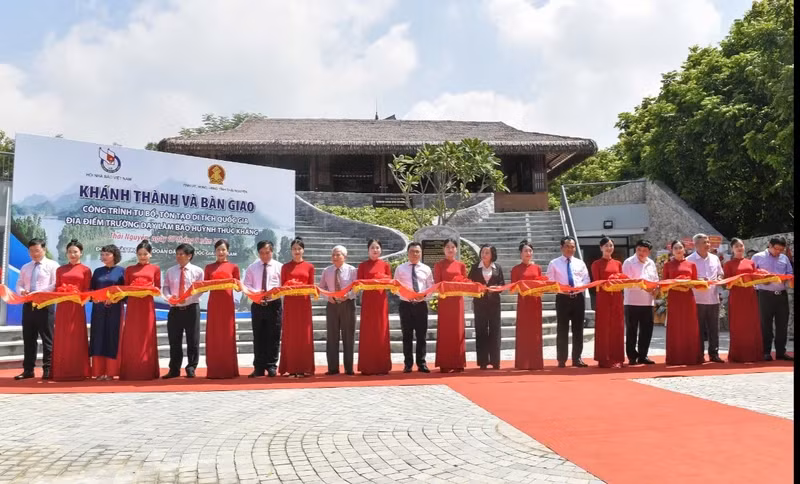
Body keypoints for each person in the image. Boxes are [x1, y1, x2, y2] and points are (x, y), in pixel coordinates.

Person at [14, 238, 59, 380]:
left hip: (45, 305)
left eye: (37, 250)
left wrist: (40, 293)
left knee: (47, 339)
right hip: (28, 305)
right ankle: (28, 370)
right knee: (29, 339)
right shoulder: (25, 267)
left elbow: (55, 284)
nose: (34, 253)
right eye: (31, 251)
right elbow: (19, 283)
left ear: (44, 250)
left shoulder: (53, 265)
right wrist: (21, 291)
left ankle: (47, 369)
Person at [51, 239, 92, 381]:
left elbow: (87, 289)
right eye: (69, 252)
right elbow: (57, 287)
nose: (72, 254)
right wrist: (63, 291)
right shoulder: (60, 269)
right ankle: (60, 371)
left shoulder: (86, 270)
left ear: (81, 253)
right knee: (62, 337)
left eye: (75, 252)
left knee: (76, 337)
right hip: (62, 307)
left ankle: (79, 370)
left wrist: (80, 298)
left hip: (77, 307)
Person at [119, 240, 161, 380]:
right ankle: (130, 370)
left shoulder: (155, 269)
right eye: (140, 254)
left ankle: (147, 370)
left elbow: (158, 289)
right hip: (133, 306)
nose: (142, 256)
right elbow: (124, 289)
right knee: (132, 336)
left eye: (145, 254)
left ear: (150, 254)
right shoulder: (129, 269)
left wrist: (149, 290)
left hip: (147, 306)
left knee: (146, 336)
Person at [546, 236, 590, 368]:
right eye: (567, 246)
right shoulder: (554, 263)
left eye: (572, 246)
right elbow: (550, 281)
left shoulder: (580, 263)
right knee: (562, 329)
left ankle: (577, 358)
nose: (570, 249)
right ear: (561, 248)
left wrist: (578, 288)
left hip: (578, 298)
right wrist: (561, 289)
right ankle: (561, 359)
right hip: (562, 299)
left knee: (578, 329)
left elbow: (586, 279)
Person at [161, 243, 205, 379]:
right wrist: (169, 298)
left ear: (189, 256)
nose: (179, 257)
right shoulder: (170, 271)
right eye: (177, 254)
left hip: (191, 308)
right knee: (174, 340)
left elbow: (200, 290)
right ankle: (174, 369)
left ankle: (191, 367)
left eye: (182, 254)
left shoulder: (198, 271)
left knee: (193, 339)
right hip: (174, 309)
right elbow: (166, 288)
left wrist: (187, 299)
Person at [242, 240, 282, 377]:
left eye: (268, 252)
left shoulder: (279, 267)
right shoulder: (252, 268)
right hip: (258, 305)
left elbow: (283, 286)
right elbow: (246, 285)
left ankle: (271, 365)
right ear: (258, 253)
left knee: (274, 335)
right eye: (262, 253)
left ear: (272, 251)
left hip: (274, 304)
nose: (265, 255)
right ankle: (258, 366)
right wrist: (258, 293)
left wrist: (273, 293)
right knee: (258, 336)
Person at [278, 237, 316, 377]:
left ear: (303, 250)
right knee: (291, 334)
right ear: (291, 251)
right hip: (290, 305)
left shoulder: (309, 267)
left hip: (304, 304)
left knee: (304, 335)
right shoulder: (285, 267)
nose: (297, 251)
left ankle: (305, 367)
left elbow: (312, 287)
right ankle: (292, 367)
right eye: (294, 249)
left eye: (299, 249)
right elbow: (282, 287)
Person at [752, 235, 794, 361]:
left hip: (781, 295)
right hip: (765, 295)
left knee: (782, 325)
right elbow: (751, 274)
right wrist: (760, 280)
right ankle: (766, 352)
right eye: (776, 249)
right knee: (766, 325)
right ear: (770, 245)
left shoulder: (784, 258)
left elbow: (790, 273)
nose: (778, 252)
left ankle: (781, 352)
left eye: (781, 250)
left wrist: (788, 279)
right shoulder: (758, 257)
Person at [394, 242, 434, 373]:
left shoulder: (426, 269)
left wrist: (424, 296)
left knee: (421, 335)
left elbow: (430, 287)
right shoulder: (400, 269)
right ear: (408, 253)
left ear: (421, 253)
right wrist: (406, 295)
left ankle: (421, 363)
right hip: (406, 305)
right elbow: (395, 288)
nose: (415, 254)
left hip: (421, 305)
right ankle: (408, 364)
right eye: (412, 251)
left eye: (417, 251)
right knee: (407, 335)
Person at [204, 239, 241, 379]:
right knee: (214, 335)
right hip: (214, 305)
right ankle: (214, 370)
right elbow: (205, 286)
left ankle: (228, 370)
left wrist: (234, 284)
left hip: (227, 305)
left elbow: (238, 287)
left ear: (228, 251)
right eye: (218, 249)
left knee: (227, 335)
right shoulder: (209, 267)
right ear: (215, 251)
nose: (221, 252)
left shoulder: (233, 267)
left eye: (223, 249)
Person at [318, 245, 358, 375]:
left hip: (348, 304)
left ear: (345, 257)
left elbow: (357, 288)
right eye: (333, 255)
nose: (335, 257)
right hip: (332, 305)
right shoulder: (327, 271)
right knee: (332, 336)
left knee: (348, 336)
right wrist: (327, 297)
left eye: (338, 254)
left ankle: (349, 368)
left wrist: (349, 295)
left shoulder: (352, 270)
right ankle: (332, 368)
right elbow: (321, 287)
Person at [663, 240, 702, 366]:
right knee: (675, 326)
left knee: (689, 325)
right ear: (672, 250)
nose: (678, 250)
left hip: (688, 298)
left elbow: (695, 283)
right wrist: (675, 283)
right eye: (675, 248)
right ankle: (675, 357)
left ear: (684, 249)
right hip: (674, 298)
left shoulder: (692, 265)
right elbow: (664, 283)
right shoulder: (668, 265)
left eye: (680, 247)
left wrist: (687, 283)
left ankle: (691, 356)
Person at [89, 244, 126, 380]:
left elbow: (125, 292)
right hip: (98, 309)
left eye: (107, 254)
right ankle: (98, 371)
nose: (104, 257)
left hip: (115, 309)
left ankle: (111, 371)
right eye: (102, 254)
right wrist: (95, 297)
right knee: (98, 337)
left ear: (114, 256)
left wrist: (115, 299)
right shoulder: (97, 271)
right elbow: (91, 290)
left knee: (112, 337)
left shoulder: (122, 271)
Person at [723, 238, 763, 363]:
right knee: (738, 325)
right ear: (732, 249)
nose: (739, 248)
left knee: (752, 324)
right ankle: (738, 355)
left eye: (741, 245)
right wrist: (736, 281)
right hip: (736, 297)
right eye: (736, 246)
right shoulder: (728, 265)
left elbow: (755, 277)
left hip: (750, 295)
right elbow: (725, 284)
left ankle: (753, 354)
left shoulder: (750, 263)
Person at [356, 239, 392, 375]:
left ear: (381, 249)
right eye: (372, 248)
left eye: (377, 247)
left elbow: (390, 283)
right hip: (368, 302)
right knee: (368, 332)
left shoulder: (385, 265)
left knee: (381, 331)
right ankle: (368, 366)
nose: (375, 250)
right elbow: (358, 283)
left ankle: (382, 366)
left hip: (381, 302)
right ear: (368, 250)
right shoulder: (363, 266)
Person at [687, 233, 725, 363]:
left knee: (714, 328)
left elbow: (721, 273)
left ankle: (714, 354)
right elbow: (687, 279)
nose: (707, 245)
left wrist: (719, 279)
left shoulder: (715, 258)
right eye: (704, 242)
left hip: (713, 298)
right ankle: (699, 354)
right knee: (698, 329)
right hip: (697, 299)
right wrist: (698, 280)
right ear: (696, 245)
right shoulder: (689, 260)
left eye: (708, 242)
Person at [621, 239, 659, 365]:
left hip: (648, 302)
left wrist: (655, 290)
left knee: (646, 330)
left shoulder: (651, 263)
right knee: (632, 330)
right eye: (639, 250)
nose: (641, 253)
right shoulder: (629, 262)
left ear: (649, 252)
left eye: (644, 250)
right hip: (632, 301)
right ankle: (632, 356)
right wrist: (646, 288)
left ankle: (643, 355)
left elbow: (655, 280)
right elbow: (628, 282)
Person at [433, 238, 468, 373]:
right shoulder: (439, 265)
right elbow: (437, 283)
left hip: (457, 301)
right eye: (447, 247)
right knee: (446, 331)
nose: (450, 249)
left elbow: (465, 283)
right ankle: (445, 363)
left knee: (458, 331)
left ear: (456, 249)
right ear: (443, 249)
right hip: (445, 301)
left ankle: (458, 362)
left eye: (453, 247)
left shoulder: (461, 265)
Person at [468, 244, 505, 370]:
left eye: (487, 253)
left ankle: (495, 361)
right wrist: (477, 288)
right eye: (483, 252)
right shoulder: (475, 268)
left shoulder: (498, 268)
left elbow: (502, 285)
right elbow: (469, 283)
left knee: (495, 331)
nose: (484, 255)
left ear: (492, 255)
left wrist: (496, 289)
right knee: (481, 331)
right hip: (480, 303)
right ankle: (483, 361)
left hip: (494, 303)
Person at [590, 236, 624, 368]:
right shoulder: (596, 264)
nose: (609, 248)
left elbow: (622, 281)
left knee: (617, 327)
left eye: (611, 245)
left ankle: (617, 358)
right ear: (601, 248)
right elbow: (596, 284)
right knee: (604, 327)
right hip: (603, 298)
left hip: (616, 297)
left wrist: (617, 284)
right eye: (606, 246)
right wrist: (608, 283)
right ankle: (604, 357)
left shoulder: (618, 264)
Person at [510, 240, 544, 370]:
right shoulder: (516, 269)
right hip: (523, 304)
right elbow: (513, 288)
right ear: (521, 253)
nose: (528, 253)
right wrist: (524, 287)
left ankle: (535, 362)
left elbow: (541, 284)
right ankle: (522, 362)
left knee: (535, 332)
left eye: (530, 251)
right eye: (525, 251)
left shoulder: (537, 268)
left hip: (535, 303)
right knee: (524, 332)